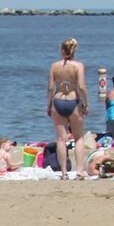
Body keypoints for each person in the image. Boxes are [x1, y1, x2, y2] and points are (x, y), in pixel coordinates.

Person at [46, 38, 88, 175]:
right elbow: (81, 87)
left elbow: (50, 88)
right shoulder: (78, 66)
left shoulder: (54, 66)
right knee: (78, 137)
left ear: (62, 51)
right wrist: (86, 102)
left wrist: (48, 104)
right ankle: (79, 171)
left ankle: (64, 172)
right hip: (73, 100)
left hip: (58, 100)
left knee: (60, 139)